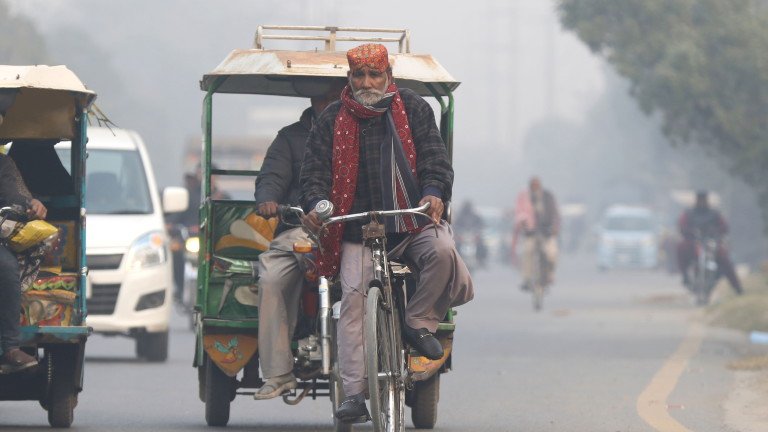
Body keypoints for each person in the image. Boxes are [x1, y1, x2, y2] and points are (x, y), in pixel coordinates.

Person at [301, 43, 474, 423]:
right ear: (349, 78)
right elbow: (313, 176)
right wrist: (317, 206)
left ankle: (418, 322)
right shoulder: (331, 119)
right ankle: (355, 393)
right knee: (352, 306)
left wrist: (433, 195)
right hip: (354, 229)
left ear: (387, 76)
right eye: (359, 75)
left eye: (374, 75)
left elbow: (435, 161)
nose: (367, 82)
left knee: (443, 250)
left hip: (410, 222)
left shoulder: (413, 109)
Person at [252, 78, 346, 400]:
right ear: (312, 101)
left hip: (348, 228)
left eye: (335, 99)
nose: (330, 106)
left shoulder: (359, 132)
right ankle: (278, 373)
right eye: (323, 100)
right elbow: (271, 177)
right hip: (298, 229)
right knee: (271, 278)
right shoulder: (290, 138)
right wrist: (267, 199)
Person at [0, 151, 47, 372]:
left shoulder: (3, 163)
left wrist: (30, 203)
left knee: (7, 267)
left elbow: (13, 194)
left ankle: (10, 347)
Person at [677, 191, 742, 294]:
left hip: (711, 243)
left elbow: (724, 227)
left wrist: (715, 232)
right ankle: (685, 276)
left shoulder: (714, 214)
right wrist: (690, 232)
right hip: (693, 242)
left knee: (725, 259)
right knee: (681, 248)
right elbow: (682, 225)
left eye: (704, 200)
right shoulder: (689, 213)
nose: (702, 202)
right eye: (700, 200)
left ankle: (738, 289)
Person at [512, 176, 560, 290]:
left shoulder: (548, 197)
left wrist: (554, 227)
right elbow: (520, 213)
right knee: (527, 252)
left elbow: (555, 214)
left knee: (552, 253)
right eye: (532, 185)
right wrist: (523, 223)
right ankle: (527, 279)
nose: (534, 188)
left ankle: (549, 275)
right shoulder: (524, 197)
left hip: (546, 232)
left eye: (536, 185)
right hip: (531, 232)